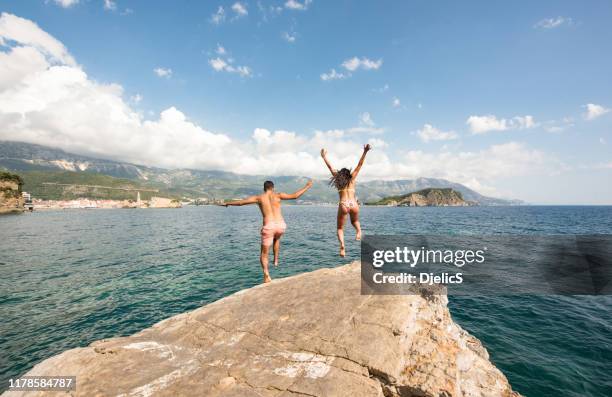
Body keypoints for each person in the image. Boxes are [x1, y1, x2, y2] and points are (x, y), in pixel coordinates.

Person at [221, 180, 313, 283]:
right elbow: (295, 196)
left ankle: (266, 274)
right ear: (273, 188)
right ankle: (276, 260)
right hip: (280, 225)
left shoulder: (259, 198)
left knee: (264, 253)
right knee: (277, 238)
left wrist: (228, 203)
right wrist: (307, 186)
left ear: (264, 188)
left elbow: (241, 202)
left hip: (269, 226)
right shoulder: (278, 195)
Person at [321, 144, 371, 257]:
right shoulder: (352, 178)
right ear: (348, 174)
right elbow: (359, 165)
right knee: (355, 221)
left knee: (340, 228)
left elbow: (330, 167)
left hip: (343, 204)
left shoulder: (338, 180)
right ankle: (358, 231)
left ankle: (342, 246)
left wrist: (324, 157)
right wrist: (365, 152)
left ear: (340, 175)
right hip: (353, 203)